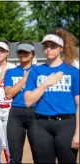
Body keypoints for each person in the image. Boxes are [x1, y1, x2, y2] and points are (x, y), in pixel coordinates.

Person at [24, 28, 79, 163]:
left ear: (61, 48)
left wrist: (78, 133)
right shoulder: (36, 71)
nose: (49, 49)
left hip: (66, 125)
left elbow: (79, 104)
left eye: (53, 46)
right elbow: (28, 101)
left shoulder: (73, 72)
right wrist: (46, 83)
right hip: (41, 125)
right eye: (46, 46)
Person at [4, 41, 36, 164]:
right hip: (16, 114)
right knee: (14, 157)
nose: (23, 54)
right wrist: (24, 79)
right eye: (20, 51)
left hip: (36, 114)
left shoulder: (39, 71)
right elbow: (8, 94)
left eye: (26, 51)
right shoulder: (11, 72)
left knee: (39, 154)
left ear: (32, 53)